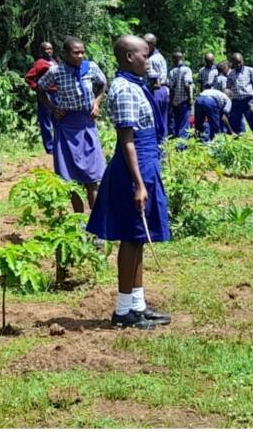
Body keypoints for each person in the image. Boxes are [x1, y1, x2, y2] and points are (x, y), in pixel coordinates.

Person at [87, 35, 171, 329]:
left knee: (138, 239)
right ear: (128, 58)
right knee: (130, 236)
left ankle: (138, 305)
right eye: (144, 56)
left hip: (147, 164)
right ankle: (123, 311)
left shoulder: (136, 86)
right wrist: (139, 184)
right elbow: (128, 140)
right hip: (133, 169)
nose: (148, 61)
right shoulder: (123, 89)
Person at [37, 37, 108, 213]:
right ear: (66, 54)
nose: (80, 55)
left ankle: (96, 222)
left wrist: (97, 103)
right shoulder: (56, 71)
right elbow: (40, 88)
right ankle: (78, 219)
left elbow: (103, 84)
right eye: (76, 52)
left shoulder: (91, 68)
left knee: (91, 177)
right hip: (66, 126)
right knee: (69, 176)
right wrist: (53, 108)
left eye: (82, 52)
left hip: (87, 125)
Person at [24, 41, 58, 154]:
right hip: (46, 94)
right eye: (46, 49)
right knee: (46, 120)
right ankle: (49, 148)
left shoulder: (54, 62)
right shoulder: (39, 63)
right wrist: (37, 88)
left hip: (57, 94)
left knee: (58, 118)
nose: (49, 51)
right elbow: (29, 78)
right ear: (42, 51)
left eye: (50, 49)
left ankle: (58, 145)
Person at [225, 53, 253, 137]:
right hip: (236, 102)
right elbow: (228, 88)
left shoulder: (250, 70)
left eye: (239, 62)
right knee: (236, 124)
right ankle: (240, 141)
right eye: (236, 63)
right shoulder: (231, 74)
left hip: (249, 100)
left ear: (243, 61)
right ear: (232, 63)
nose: (238, 65)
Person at [167, 52, 195, 139]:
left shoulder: (171, 72)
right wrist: (190, 98)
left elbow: (171, 88)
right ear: (182, 59)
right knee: (184, 124)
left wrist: (171, 102)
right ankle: (182, 147)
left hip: (175, 102)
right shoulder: (187, 70)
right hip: (184, 101)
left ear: (174, 60)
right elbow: (187, 84)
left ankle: (175, 143)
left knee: (177, 123)